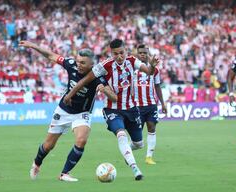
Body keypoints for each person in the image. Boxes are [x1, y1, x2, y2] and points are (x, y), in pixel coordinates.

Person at [19, 40, 117, 182]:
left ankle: (64, 173)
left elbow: (114, 98)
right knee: (48, 145)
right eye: (78, 61)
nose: (78, 65)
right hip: (63, 110)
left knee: (81, 140)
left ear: (92, 65)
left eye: (83, 63)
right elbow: (51, 55)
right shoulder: (71, 65)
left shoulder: (98, 77)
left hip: (82, 113)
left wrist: (105, 91)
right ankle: (36, 164)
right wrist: (34, 46)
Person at [63, 39, 159, 180]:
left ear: (125, 51)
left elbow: (150, 72)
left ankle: (127, 151)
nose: (119, 56)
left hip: (132, 109)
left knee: (139, 144)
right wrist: (69, 94)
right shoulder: (105, 65)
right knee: (121, 134)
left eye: (121, 53)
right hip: (112, 110)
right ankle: (135, 169)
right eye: (115, 54)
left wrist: (151, 65)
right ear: (111, 53)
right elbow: (85, 80)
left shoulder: (132, 61)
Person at [133, 44, 167, 165]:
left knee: (152, 128)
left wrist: (163, 103)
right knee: (137, 136)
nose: (142, 54)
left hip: (151, 104)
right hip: (137, 106)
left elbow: (157, 86)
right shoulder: (132, 68)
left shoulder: (155, 70)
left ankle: (149, 157)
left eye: (145, 53)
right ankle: (128, 150)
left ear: (148, 54)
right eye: (140, 52)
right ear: (137, 54)